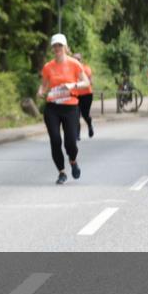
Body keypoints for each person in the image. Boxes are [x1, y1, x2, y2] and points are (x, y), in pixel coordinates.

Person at [36, 34, 90, 184]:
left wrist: (73, 85)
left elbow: (86, 83)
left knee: (70, 142)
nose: (57, 48)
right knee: (55, 140)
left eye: (60, 45)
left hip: (70, 106)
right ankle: (61, 172)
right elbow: (44, 85)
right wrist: (40, 91)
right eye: (55, 46)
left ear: (65, 47)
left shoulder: (74, 64)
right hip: (53, 107)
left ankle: (73, 160)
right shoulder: (48, 67)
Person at [72, 53, 95, 139]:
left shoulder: (86, 68)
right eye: (74, 59)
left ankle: (89, 125)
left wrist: (87, 81)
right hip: (75, 95)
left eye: (78, 59)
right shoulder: (71, 70)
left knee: (85, 114)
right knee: (76, 114)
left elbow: (90, 81)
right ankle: (77, 134)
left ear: (81, 60)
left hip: (86, 95)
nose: (76, 61)